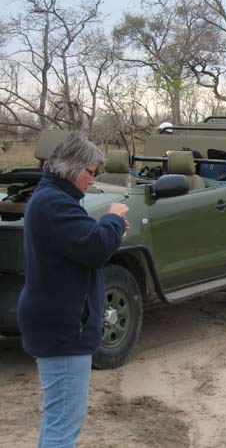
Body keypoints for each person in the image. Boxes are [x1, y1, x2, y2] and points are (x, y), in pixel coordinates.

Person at [17, 131, 129, 448]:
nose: (92, 182)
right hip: (63, 329)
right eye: (91, 174)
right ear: (74, 169)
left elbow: (82, 243)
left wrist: (109, 228)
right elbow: (94, 248)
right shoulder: (54, 203)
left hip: (56, 323)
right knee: (63, 427)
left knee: (58, 422)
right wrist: (113, 220)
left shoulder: (51, 200)